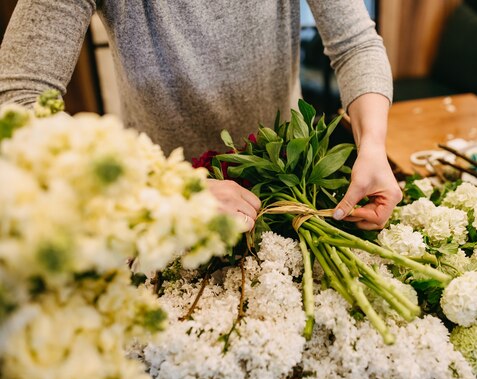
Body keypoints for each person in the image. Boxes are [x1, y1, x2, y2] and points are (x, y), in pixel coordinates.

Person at [0, 0, 401, 231]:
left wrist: (373, 144)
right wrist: (163, 189)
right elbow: (16, 103)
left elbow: (355, 44)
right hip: (155, 203)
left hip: (286, 182)